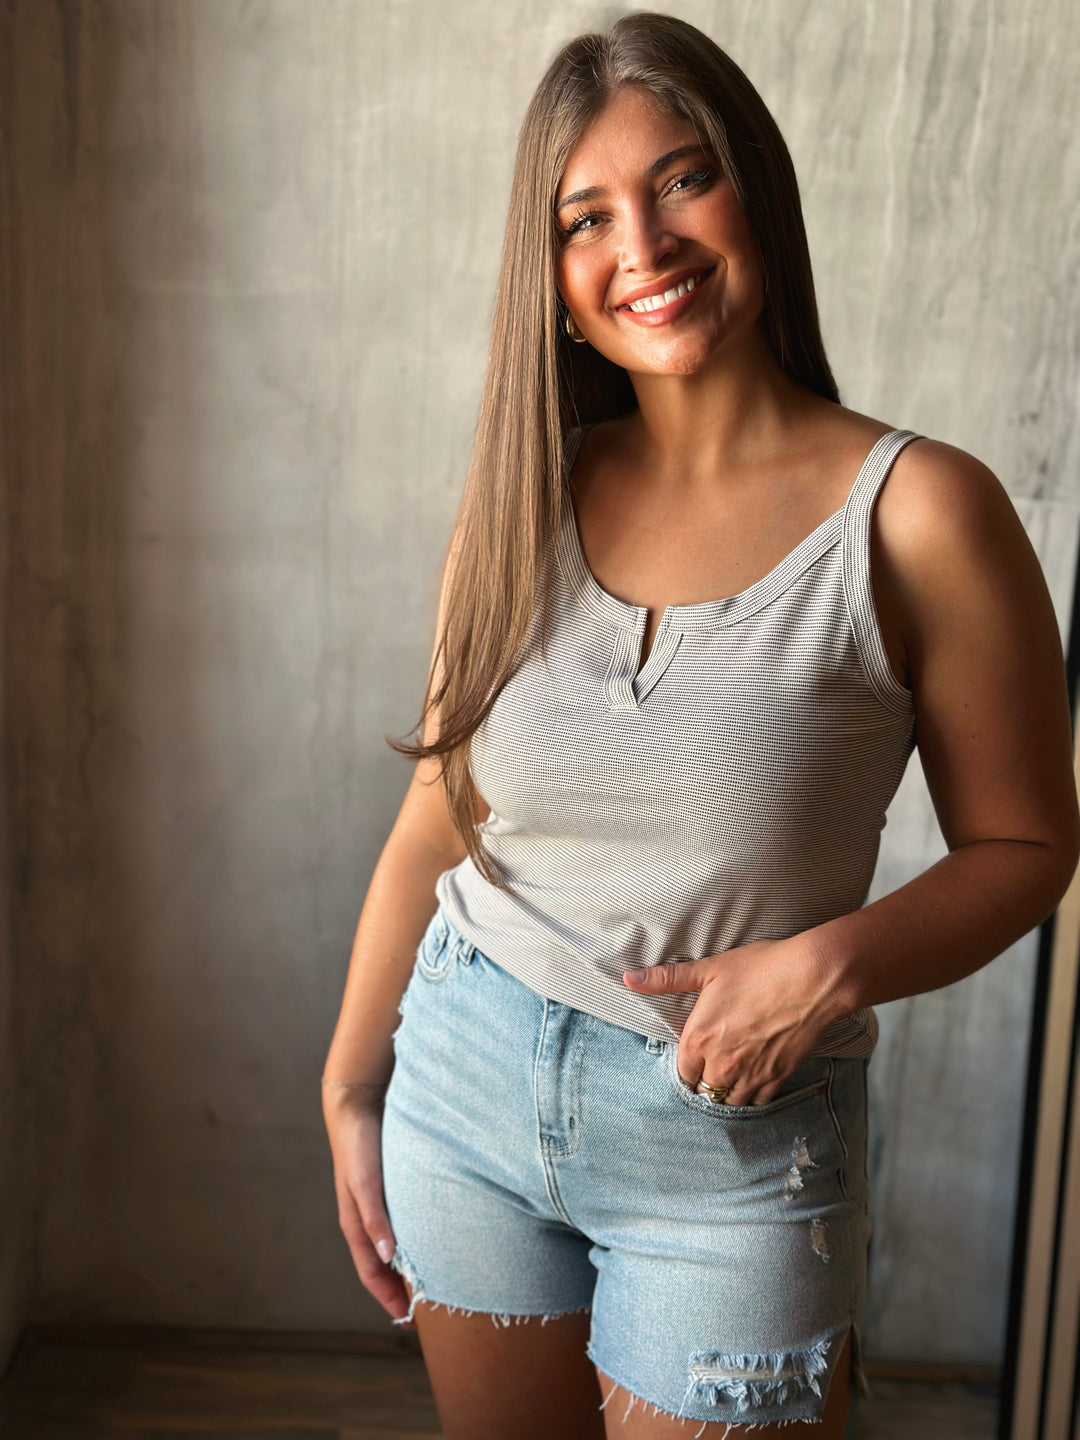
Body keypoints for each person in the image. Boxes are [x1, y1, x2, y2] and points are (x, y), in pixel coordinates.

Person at [321, 13, 1079, 1439]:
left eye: (682, 180)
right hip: (466, 1094)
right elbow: (442, 813)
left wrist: (829, 969)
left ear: (758, 195)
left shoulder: (921, 514)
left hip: (733, 1157)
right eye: (585, 216)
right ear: (550, 280)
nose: (643, 247)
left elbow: (1030, 843)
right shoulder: (523, 497)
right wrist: (352, 1080)